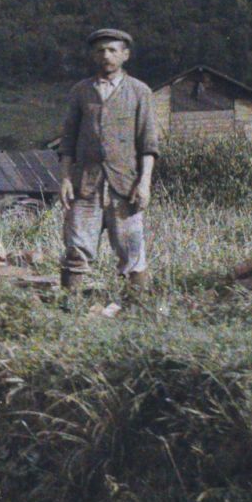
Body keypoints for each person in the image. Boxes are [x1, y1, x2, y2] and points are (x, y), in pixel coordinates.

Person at [56, 27, 159, 305]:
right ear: (93, 55)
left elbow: (148, 144)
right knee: (77, 248)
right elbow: (68, 141)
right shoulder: (80, 92)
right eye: (101, 50)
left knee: (132, 251)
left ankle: (137, 309)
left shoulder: (140, 92)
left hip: (125, 186)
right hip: (86, 184)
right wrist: (65, 179)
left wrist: (145, 183)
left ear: (125, 55)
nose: (106, 55)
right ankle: (72, 307)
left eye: (113, 49)